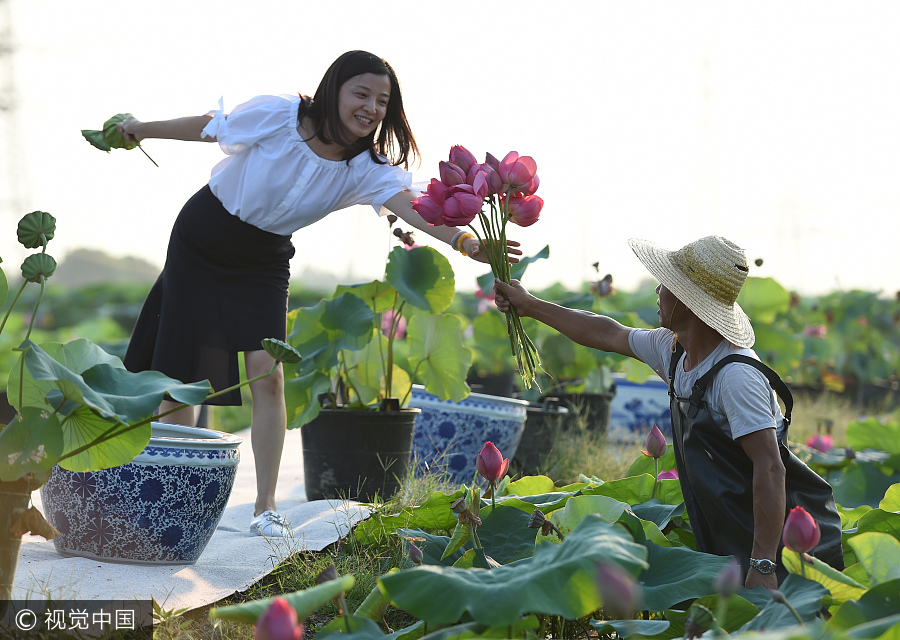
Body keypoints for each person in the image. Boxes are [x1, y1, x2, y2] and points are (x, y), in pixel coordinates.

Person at [118, 50, 519, 538]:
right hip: (201, 239)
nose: (371, 108)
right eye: (362, 93)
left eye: (382, 100)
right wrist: (140, 126)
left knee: (268, 377)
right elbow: (210, 126)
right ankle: (173, 498)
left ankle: (264, 506)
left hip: (263, 260)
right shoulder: (281, 114)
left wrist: (464, 240)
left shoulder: (367, 168)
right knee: (186, 371)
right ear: (334, 89)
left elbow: (413, 207)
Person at [494, 235, 843, 588]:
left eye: (667, 284)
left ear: (688, 303)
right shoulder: (674, 350)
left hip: (784, 548)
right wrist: (530, 305)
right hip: (730, 526)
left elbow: (769, 470)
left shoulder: (736, 377)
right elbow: (605, 332)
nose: (658, 290)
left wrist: (764, 564)